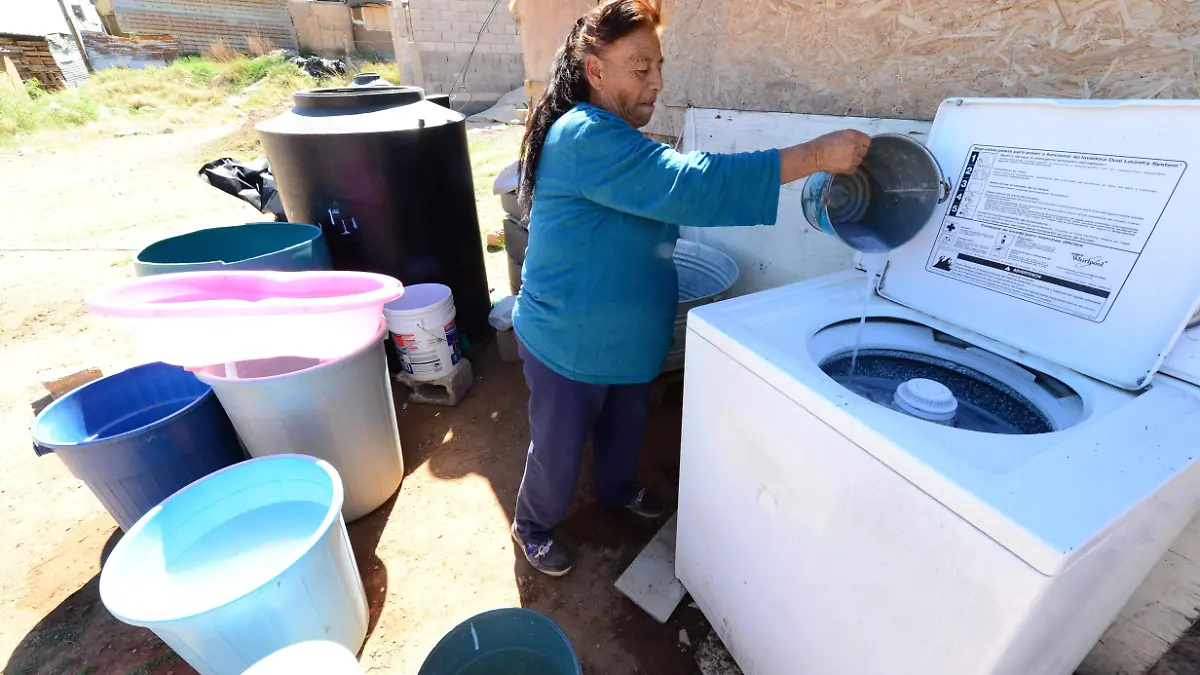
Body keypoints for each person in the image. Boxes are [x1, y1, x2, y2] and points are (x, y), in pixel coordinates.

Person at [510, 0, 870, 577]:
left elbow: (661, 195)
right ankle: (532, 526)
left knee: (625, 432)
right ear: (595, 71)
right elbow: (690, 187)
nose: (655, 82)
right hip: (567, 344)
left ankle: (615, 489)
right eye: (639, 67)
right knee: (556, 451)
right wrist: (816, 155)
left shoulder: (619, 137)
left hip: (627, 342)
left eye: (658, 65)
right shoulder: (584, 134)